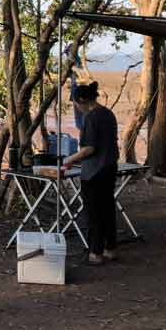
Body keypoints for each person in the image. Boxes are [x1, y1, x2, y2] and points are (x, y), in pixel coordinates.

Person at [62, 81, 118, 265]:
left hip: (94, 172)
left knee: (94, 213)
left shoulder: (91, 117)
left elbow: (89, 148)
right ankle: (110, 249)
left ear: (82, 100)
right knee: (108, 209)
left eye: (75, 103)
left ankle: (95, 253)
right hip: (110, 167)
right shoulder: (108, 114)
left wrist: (69, 160)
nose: (76, 107)